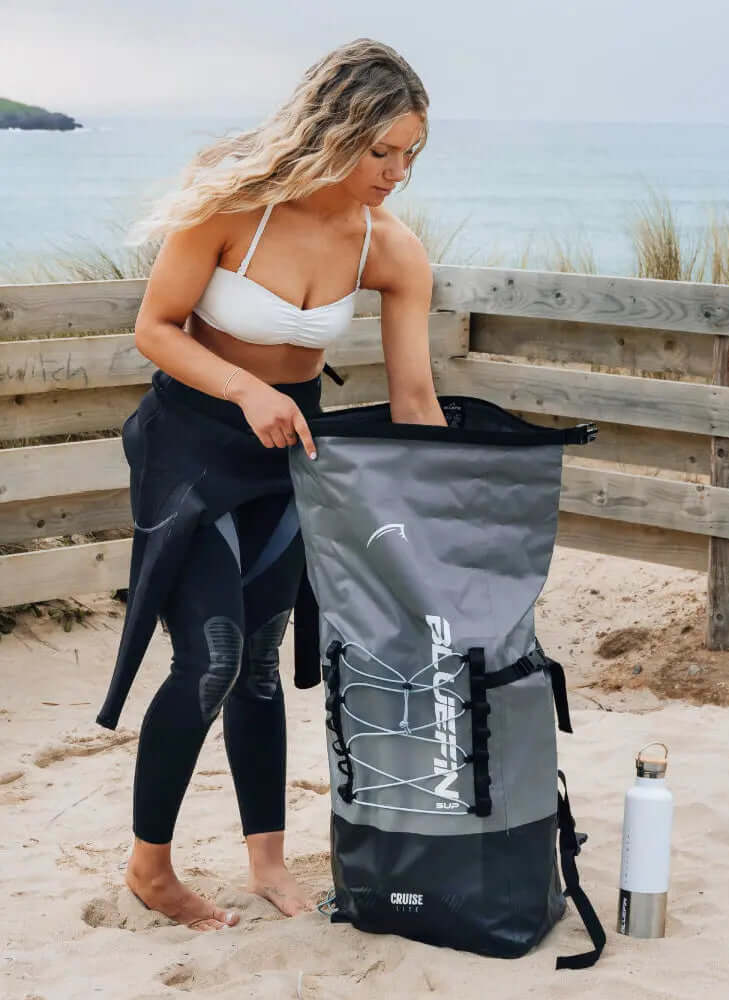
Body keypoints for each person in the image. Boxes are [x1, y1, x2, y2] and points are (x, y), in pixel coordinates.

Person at [100, 37, 447, 932]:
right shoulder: (232, 204)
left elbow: (413, 397)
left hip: (288, 452)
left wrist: (444, 513)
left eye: (411, 152)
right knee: (209, 658)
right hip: (191, 440)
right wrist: (247, 385)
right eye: (382, 151)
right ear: (335, 131)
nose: (396, 172)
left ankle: (266, 860)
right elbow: (156, 327)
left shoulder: (391, 246)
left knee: (255, 663)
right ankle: (150, 869)